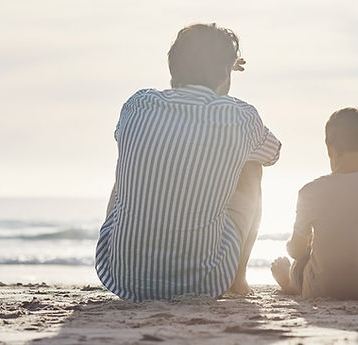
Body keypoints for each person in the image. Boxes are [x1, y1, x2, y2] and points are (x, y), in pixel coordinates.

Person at [95, 23, 281, 302]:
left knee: (132, 163)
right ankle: (238, 279)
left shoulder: (137, 105)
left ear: (173, 68)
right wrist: (224, 84)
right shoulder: (240, 118)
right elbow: (273, 154)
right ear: (224, 73)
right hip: (204, 280)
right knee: (251, 166)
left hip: (122, 275)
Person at [270, 107, 358, 300]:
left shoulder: (310, 191)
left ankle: (290, 283)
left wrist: (307, 240)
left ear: (329, 148)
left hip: (325, 290)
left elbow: (295, 250)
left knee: (303, 257)